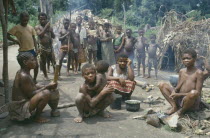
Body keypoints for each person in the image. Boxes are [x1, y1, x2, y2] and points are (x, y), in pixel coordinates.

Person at [8, 52, 60, 123]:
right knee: (46, 93)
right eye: (32, 60)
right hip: (20, 107)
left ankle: (43, 111)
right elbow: (31, 94)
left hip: (23, 102)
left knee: (42, 85)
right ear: (25, 62)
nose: (35, 61)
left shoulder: (24, 72)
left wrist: (46, 86)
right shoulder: (24, 76)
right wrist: (48, 86)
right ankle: (37, 117)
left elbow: (33, 87)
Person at [159, 48, 203, 116]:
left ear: (194, 59)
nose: (186, 60)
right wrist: (174, 91)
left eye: (188, 58)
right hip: (179, 99)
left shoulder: (198, 73)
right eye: (184, 59)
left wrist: (179, 95)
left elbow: (198, 93)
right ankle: (174, 107)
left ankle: (181, 111)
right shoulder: (182, 71)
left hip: (190, 100)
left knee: (193, 93)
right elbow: (178, 87)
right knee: (162, 84)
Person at [7, 12, 38, 83]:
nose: (26, 20)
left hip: (31, 50)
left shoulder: (31, 27)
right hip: (23, 51)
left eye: (27, 19)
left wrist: (36, 48)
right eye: (24, 19)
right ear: (20, 19)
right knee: (25, 68)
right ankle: (25, 80)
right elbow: (7, 35)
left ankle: (34, 79)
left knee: (36, 65)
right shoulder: (16, 27)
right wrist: (15, 41)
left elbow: (34, 39)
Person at [35, 12, 56, 80]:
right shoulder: (37, 27)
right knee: (43, 62)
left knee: (53, 61)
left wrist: (51, 31)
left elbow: (53, 36)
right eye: (41, 19)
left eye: (44, 19)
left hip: (50, 47)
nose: (43, 21)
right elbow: (40, 35)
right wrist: (46, 27)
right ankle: (45, 76)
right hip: (42, 47)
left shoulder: (49, 27)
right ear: (38, 19)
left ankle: (56, 76)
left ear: (46, 19)